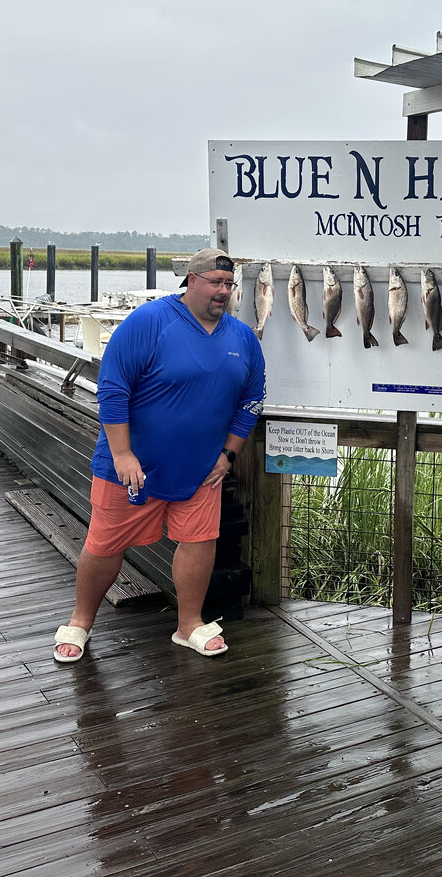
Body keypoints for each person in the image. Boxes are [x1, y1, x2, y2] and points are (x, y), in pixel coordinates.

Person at [53, 248, 265, 663]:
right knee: (105, 543)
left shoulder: (242, 338)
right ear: (191, 280)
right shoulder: (148, 321)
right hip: (132, 468)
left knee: (199, 541)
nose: (223, 291)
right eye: (215, 282)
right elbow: (113, 389)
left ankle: (189, 625)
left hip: (202, 469)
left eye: (229, 284)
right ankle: (80, 621)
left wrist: (229, 454)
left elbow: (252, 400)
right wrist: (122, 454)